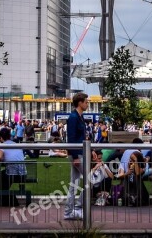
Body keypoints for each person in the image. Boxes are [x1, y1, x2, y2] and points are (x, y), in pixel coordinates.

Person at [65, 92, 88, 220]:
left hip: (79, 152)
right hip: (77, 154)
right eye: (86, 102)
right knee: (91, 180)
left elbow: (81, 137)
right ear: (80, 103)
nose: (87, 104)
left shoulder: (79, 117)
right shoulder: (74, 117)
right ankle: (77, 208)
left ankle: (69, 212)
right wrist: (74, 157)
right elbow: (72, 138)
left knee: (74, 183)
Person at [0, 127, 27, 206]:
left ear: (0, 137)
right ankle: (3, 197)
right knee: (3, 178)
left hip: (12, 174)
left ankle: (1, 197)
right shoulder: (16, 145)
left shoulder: (3, 146)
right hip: (22, 174)